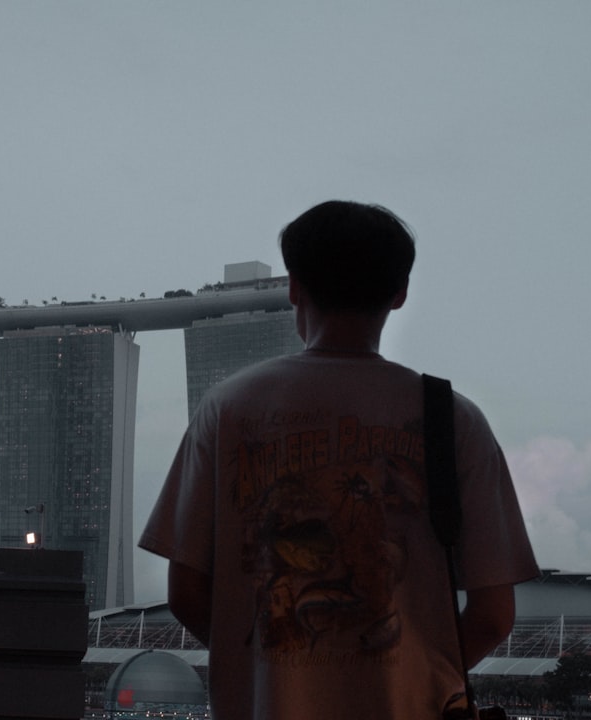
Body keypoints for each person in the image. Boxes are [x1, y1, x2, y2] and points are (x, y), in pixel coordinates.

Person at [138, 200, 539, 719]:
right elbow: (491, 615)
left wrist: (270, 663)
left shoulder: (229, 409)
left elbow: (187, 591)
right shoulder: (454, 421)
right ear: (399, 294)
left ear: (294, 287)